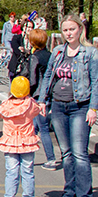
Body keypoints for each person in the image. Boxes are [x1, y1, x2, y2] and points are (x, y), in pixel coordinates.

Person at [39, 15, 98, 197]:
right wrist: (43, 100)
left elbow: (97, 82)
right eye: (65, 30)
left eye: (72, 29)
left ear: (80, 29)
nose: (68, 33)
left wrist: (93, 108)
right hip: (59, 106)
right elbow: (49, 75)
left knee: (80, 153)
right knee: (66, 153)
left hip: (80, 107)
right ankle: (69, 193)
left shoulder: (90, 53)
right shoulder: (58, 52)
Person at [0, 76, 44, 197]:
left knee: (11, 172)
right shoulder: (30, 105)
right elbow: (37, 110)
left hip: (10, 142)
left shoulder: (6, 105)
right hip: (27, 142)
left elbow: (0, 113)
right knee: (28, 172)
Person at [25, 29, 58, 170]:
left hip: (39, 96)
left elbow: (32, 79)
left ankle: (51, 159)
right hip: (51, 94)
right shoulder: (51, 56)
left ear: (32, 42)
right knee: (34, 127)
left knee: (42, 128)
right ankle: (27, 156)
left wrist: (27, 93)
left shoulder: (35, 57)